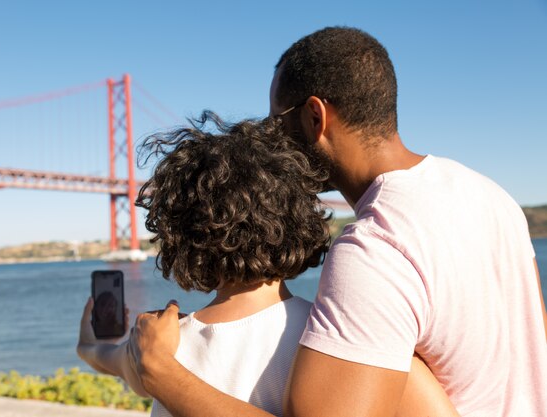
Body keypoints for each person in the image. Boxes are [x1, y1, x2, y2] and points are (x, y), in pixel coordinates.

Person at [129, 27, 547, 416]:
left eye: (276, 123)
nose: (271, 144)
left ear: (316, 117)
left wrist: (162, 374)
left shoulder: (375, 246)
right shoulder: (489, 194)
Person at [77, 113, 459, 417]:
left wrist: (89, 344)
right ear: (300, 219)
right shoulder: (342, 338)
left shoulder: (160, 348)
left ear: (182, 236)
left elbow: (109, 358)